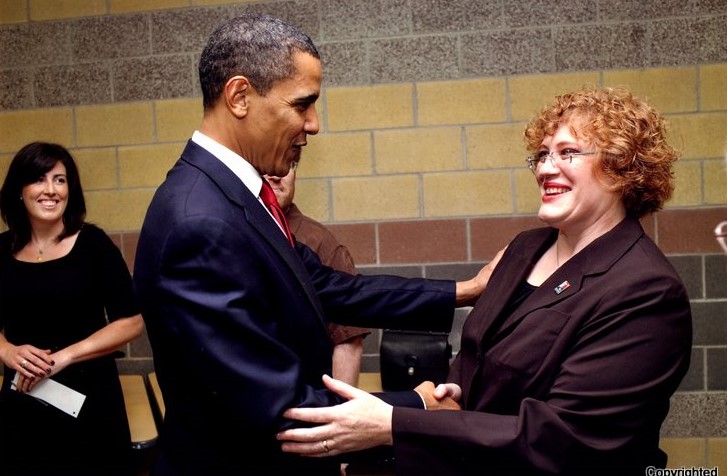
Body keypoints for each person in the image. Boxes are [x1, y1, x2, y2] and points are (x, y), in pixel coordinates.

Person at [132, 13, 491, 476]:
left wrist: (464, 291)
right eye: (303, 105)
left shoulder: (235, 195)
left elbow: (326, 287)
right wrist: (415, 409)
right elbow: (280, 407)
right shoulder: (200, 222)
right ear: (240, 96)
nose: (314, 124)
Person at [277, 87, 694, 476]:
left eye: (568, 153)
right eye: (542, 155)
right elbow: (470, 373)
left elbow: (565, 441)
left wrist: (395, 425)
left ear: (622, 169)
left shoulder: (645, 290)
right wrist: (406, 419)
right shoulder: (525, 249)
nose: (546, 168)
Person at [0, 142, 144, 476]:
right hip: (23, 397)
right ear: (20, 190)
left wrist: (63, 357)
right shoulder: (2, 251)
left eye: (60, 180)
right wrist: (6, 350)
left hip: (90, 399)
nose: (51, 190)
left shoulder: (93, 245)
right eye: (39, 179)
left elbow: (131, 323)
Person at [264, 161, 370, 387]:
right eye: (266, 166)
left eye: (286, 165)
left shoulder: (320, 242)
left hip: (306, 398)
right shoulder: (234, 231)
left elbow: (347, 339)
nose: (276, 175)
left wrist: (341, 410)